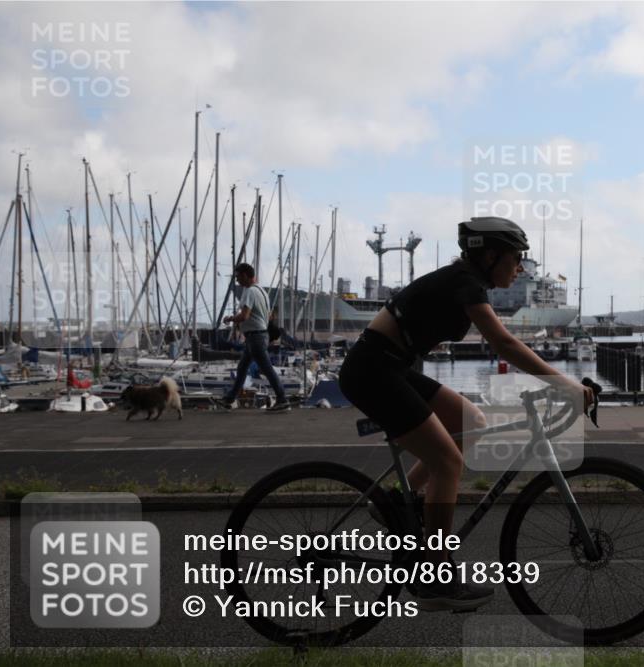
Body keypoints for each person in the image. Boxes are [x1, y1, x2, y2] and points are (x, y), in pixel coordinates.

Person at [338, 217, 594, 611]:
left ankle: (392, 504)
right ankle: (437, 580)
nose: (520, 267)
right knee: (448, 462)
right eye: (516, 258)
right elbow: (504, 344)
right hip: (372, 371)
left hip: (390, 366)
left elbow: (503, 344)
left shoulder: (467, 281)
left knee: (472, 423)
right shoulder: (465, 283)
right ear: (490, 256)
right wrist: (567, 385)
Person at [216, 263, 290, 413]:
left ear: (244, 275)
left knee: (267, 369)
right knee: (242, 368)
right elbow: (269, 315)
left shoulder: (249, 291)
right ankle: (229, 399)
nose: (237, 280)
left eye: (237, 277)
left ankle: (282, 399)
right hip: (259, 336)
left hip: (255, 337)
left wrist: (230, 319)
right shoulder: (261, 291)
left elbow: (244, 315)